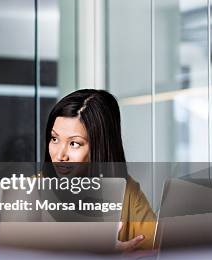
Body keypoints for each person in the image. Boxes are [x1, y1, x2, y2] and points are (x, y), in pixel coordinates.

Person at [44, 89, 157, 251]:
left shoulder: (127, 192)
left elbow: (157, 257)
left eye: (74, 143)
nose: (60, 155)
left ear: (99, 147)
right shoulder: (31, 192)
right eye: (54, 139)